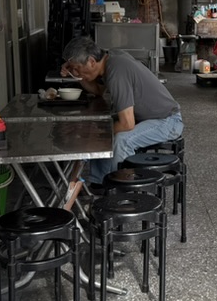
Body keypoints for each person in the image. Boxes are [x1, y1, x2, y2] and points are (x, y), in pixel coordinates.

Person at [61, 36, 183, 188]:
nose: (75, 72)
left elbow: (127, 124)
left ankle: (119, 190)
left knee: (121, 140)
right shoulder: (110, 59)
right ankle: (100, 183)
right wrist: (77, 75)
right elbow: (98, 91)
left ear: (91, 61)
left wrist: (96, 135)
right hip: (146, 118)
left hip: (167, 121)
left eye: (77, 68)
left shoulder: (116, 70)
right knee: (99, 127)